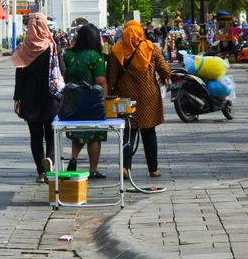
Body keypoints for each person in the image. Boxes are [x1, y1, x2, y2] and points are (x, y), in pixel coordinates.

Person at [108, 20, 171, 179]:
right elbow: (164, 69)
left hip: (126, 98)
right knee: (149, 133)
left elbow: (112, 78)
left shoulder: (116, 50)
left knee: (129, 133)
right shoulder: (150, 47)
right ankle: (153, 169)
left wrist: (111, 92)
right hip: (148, 97)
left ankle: (126, 167)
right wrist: (165, 77)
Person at [12, 12, 60, 183]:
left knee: (35, 136)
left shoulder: (23, 49)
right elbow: (62, 71)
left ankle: (41, 171)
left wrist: (17, 99)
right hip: (50, 98)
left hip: (29, 99)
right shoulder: (52, 47)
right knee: (51, 134)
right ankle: (50, 162)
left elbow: (20, 76)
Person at [63, 23, 110, 178]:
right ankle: (93, 169)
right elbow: (100, 80)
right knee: (94, 135)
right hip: (92, 101)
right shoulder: (95, 57)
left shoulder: (69, 55)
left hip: (73, 101)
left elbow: (64, 76)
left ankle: (74, 158)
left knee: (78, 132)